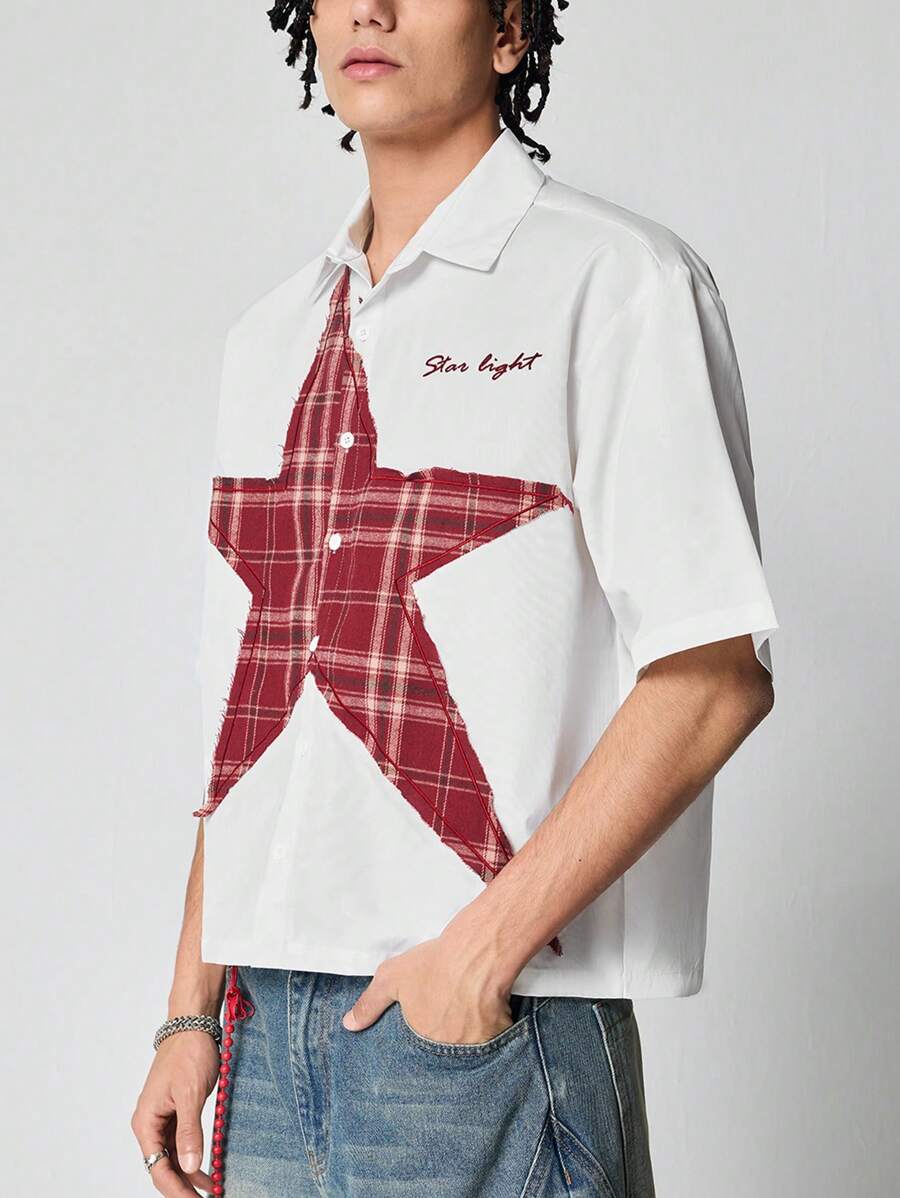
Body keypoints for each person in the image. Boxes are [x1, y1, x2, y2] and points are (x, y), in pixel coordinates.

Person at [131, 3, 780, 1195]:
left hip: (486, 1032)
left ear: (509, 30)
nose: (370, 10)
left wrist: (478, 958)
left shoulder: (616, 281)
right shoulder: (271, 336)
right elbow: (255, 722)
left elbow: (712, 674)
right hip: (261, 1041)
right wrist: (189, 1010)